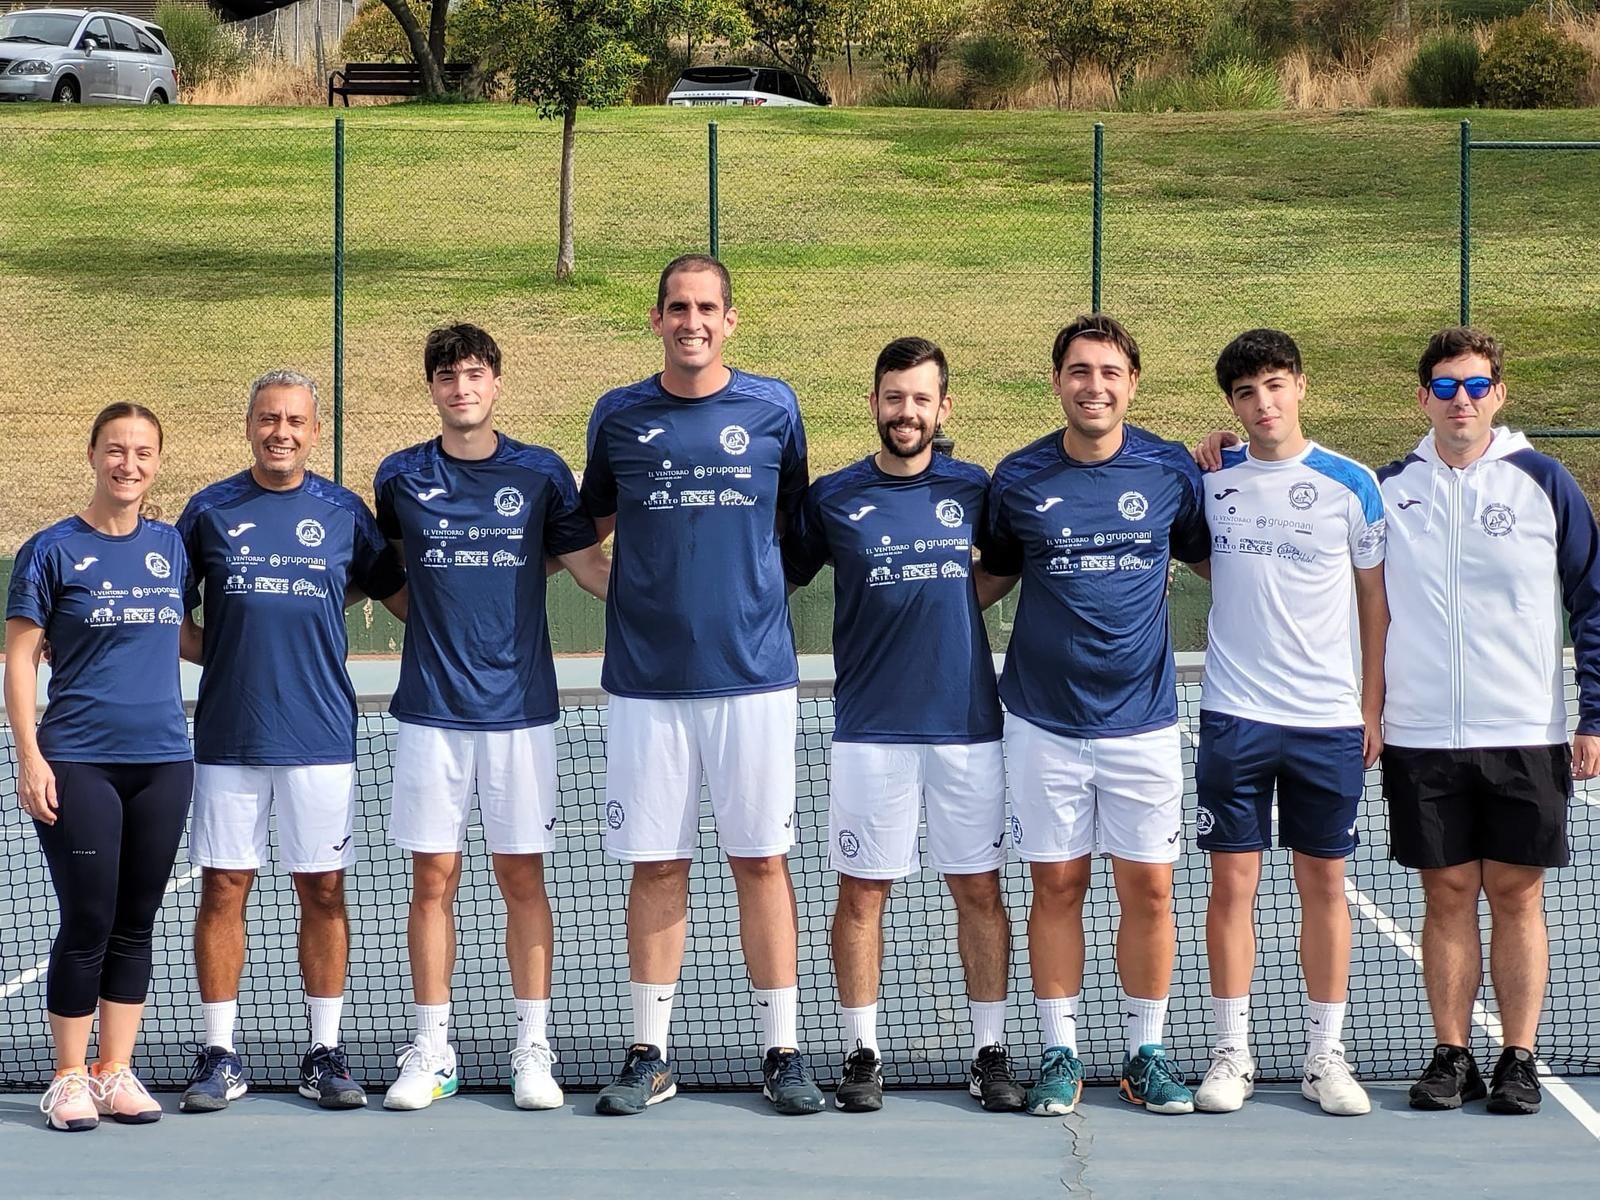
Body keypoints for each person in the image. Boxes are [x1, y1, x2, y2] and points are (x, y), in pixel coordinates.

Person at [580, 254, 823, 1117]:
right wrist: (635, 596)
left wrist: (751, 598)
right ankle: (649, 1052)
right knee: (658, 865)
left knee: (761, 859)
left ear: (731, 321)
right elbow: (590, 530)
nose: (692, 321)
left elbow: (794, 524)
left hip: (753, 679)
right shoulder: (617, 415)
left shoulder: (774, 407)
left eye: (707, 308)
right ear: (656, 320)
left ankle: (782, 1051)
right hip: (645, 684)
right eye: (677, 307)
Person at [974, 314, 1209, 1117]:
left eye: (1109, 372)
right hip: (1042, 723)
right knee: (1057, 887)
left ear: (1132, 383)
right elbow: (988, 576)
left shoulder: (1173, 470)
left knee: (1149, 891)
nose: (1094, 386)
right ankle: (1060, 1052)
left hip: (1143, 723)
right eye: (1079, 372)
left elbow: (1221, 555)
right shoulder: (1017, 479)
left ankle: (1147, 1052)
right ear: (1057, 382)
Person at [782, 337, 1024, 1114]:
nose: (907, 412)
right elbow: (776, 572)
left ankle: (989, 1050)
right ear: (874, 404)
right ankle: (861, 1051)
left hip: (965, 727)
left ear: (943, 407)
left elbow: (1007, 562)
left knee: (978, 889)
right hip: (869, 730)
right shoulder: (834, 497)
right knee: (861, 893)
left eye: (922, 398)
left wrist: (956, 604)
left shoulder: (975, 488)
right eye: (894, 397)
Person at [373, 324, 610, 1111]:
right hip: (432, 715)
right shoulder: (401, 476)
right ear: (432, 389)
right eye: (447, 376)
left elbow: (589, 570)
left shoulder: (541, 474)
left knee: (521, 877)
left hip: (521, 716)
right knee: (431, 879)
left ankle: (531, 1046)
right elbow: (390, 577)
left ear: (496, 383)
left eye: (474, 374)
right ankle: (433, 1050)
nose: (462, 388)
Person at [1378, 327, 1599, 1115]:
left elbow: (1593, 600)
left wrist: (1593, 715)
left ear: (1498, 395)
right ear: (1423, 397)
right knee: (1445, 893)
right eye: (1444, 386)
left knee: (1516, 894)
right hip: (1420, 731)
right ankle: (1452, 1054)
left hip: (1524, 730)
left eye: (1474, 385)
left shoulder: (1543, 481)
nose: (1460, 399)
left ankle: (1518, 1056)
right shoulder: (1389, 488)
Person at [175, 371, 406, 1114]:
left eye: (296, 421)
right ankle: (219, 1054)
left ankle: (324, 1052)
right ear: (248, 425)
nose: (282, 431)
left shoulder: (343, 512)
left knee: (324, 891)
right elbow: (161, 604)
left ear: (315, 430)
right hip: (228, 736)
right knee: (223, 890)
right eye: (269, 418)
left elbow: (397, 594)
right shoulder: (208, 510)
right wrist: (230, 650)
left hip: (320, 736)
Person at [1187, 330, 1387, 1118]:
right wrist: (1205, 454)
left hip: (1327, 722)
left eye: (1274, 385)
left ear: (1301, 385)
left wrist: (1372, 708)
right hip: (1234, 716)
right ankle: (1232, 1052)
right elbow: (1207, 559)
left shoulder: (1351, 483)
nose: (1262, 404)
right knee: (1231, 886)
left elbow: (1375, 602)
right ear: (1230, 404)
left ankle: (1321, 1056)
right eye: (1244, 393)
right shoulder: (1211, 478)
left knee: (1324, 887)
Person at [5, 403, 193, 1131]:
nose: (129, 465)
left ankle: (116, 1071)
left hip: (164, 763)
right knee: (88, 917)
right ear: (92, 455)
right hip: (77, 759)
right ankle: (68, 1078)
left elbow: (190, 633)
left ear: (156, 463)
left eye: (143, 452)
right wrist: (29, 754)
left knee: (136, 922)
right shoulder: (50, 550)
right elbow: (21, 657)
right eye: (116, 450)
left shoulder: (172, 547)